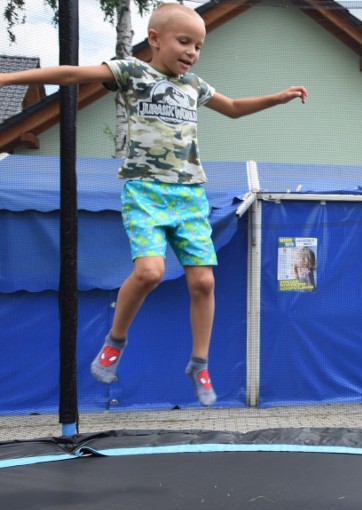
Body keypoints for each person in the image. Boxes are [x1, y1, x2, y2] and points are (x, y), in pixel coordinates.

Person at [0, 2, 308, 406]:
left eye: (198, 46)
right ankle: (115, 341)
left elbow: (232, 108)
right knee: (149, 272)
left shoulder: (193, 86)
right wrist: (10, 78)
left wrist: (278, 98)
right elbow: (73, 75)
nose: (192, 52)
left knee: (203, 281)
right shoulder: (132, 72)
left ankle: (199, 363)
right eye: (184, 42)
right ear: (155, 39)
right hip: (145, 192)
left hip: (189, 195)